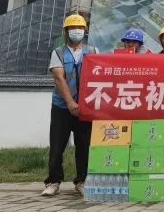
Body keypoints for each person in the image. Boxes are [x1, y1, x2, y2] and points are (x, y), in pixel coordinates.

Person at [43, 14, 98, 197]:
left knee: (84, 146)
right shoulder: (58, 53)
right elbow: (59, 78)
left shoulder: (93, 51)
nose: (77, 31)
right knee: (57, 145)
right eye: (73, 28)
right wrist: (70, 103)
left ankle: (82, 181)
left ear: (85, 31)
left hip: (85, 108)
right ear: (66, 31)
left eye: (80, 28)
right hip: (62, 107)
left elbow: (99, 76)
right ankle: (53, 181)